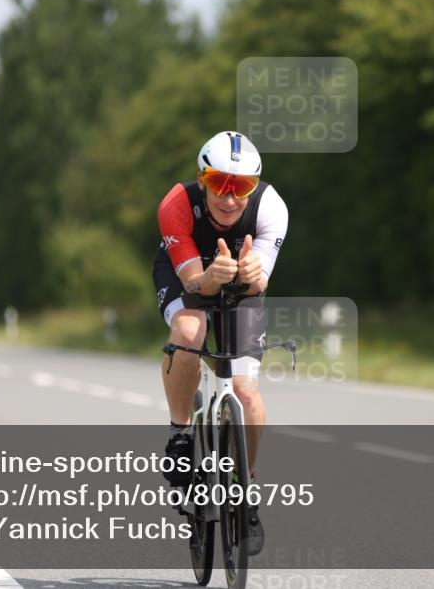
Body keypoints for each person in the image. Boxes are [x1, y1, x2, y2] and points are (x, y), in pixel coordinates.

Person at [153, 131, 288, 555]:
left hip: (241, 288)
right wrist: (210, 277)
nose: (229, 199)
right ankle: (179, 433)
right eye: (218, 184)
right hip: (186, 275)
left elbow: (260, 280)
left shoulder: (271, 208)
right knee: (190, 331)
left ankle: (244, 490)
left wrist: (252, 271)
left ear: (255, 186)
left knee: (247, 395)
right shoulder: (176, 205)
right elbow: (194, 282)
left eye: (241, 187)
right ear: (202, 179)